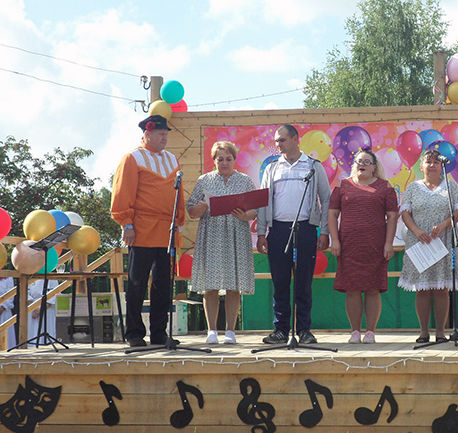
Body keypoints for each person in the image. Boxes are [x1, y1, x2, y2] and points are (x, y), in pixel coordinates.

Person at [111, 114, 185, 347]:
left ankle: (159, 333)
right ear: (147, 134)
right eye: (161, 134)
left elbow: (179, 194)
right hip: (141, 227)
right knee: (137, 283)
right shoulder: (132, 157)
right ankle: (134, 333)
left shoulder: (172, 159)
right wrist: (127, 224)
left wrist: (179, 221)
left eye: (166, 134)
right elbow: (123, 192)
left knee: (163, 284)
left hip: (167, 229)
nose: (164, 138)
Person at [257, 125, 330, 345]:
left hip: (305, 229)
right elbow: (263, 201)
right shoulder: (272, 168)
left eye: (282, 140)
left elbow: (326, 198)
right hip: (278, 230)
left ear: (296, 139)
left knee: (303, 282)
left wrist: (325, 230)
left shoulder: (313, 166)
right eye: (276, 141)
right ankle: (280, 330)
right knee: (280, 282)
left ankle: (304, 330)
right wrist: (261, 233)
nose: (278, 144)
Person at [187, 141, 257, 345]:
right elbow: (191, 210)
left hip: (237, 235)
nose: (224, 163)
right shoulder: (204, 180)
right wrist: (199, 209)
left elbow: (255, 209)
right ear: (214, 160)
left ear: (234, 160)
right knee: (210, 286)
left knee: (234, 285)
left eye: (228, 159)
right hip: (211, 235)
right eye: (220, 159)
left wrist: (245, 216)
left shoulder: (245, 181)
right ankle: (211, 331)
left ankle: (230, 331)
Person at [328, 150, 399, 344]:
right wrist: (335, 240)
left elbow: (392, 216)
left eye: (367, 162)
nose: (362, 164)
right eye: (359, 161)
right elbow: (332, 214)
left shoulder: (385, 187)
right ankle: (355, 331)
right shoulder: (343, 186)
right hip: (348, 245)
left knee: (373, 289)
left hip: (375, 246)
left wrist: (388, 243)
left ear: (374, 167)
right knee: (352, 289)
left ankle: (370, 332)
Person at [398, 149, 458, 343]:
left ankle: (440, 332)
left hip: (443, 241)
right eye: (428, 162)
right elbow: (405, 213)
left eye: (436, 162)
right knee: (422, 289)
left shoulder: (450, 186)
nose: (432, 165)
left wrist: (443, 225)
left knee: (441, 288)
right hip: (420, 242)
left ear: (442, 166)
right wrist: (416, 231)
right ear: (421, 166)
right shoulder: (413, 187)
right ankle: (423, 332)